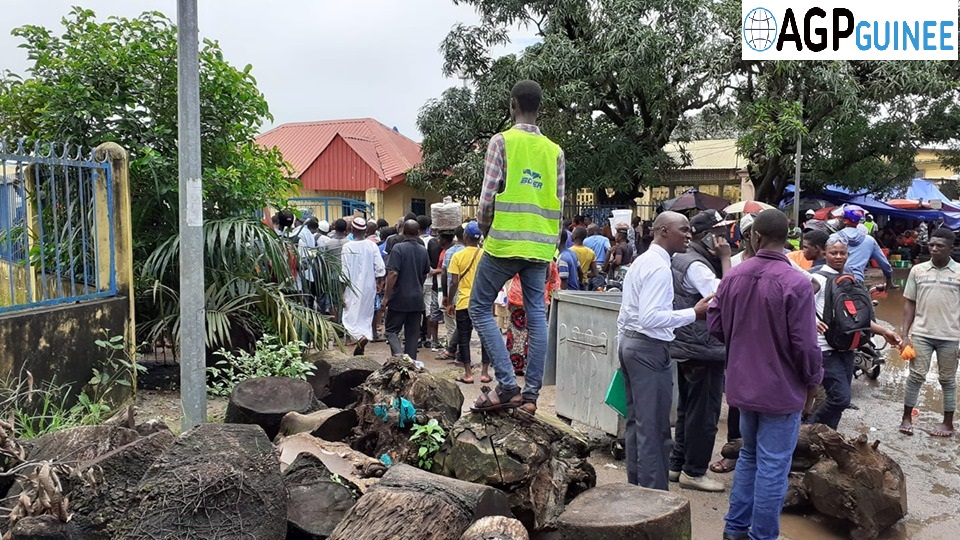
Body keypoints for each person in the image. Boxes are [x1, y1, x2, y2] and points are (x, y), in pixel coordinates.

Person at [707, 209, 823, 540]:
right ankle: (763, 536)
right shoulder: (798, 283)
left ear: (755, 237)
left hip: (743, 386)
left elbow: (715, 324)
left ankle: (735, 529)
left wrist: (743, 338)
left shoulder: (732, 277)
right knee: (773, 467)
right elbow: (806, 345)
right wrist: (812, 383)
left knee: (749, 457)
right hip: (781, 390)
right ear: (788, 238)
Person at [468, 79, 565, 415]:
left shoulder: (502, 142)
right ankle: (532, 395)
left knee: (479, 306)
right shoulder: (555, 151)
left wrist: (485, 230)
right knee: (538, 315)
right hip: (540, 246)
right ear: (540, 108)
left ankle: (508, 385)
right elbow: (560, 203)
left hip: (504, 241)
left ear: (512, 105)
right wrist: (550, 242)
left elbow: (487, 197)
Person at [617, 211, 714, 490]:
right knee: (655, 429)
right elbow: (650, 318)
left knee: (638, 423)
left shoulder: (643, 261)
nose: (689, 235)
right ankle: (654, 495)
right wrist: (693, 314)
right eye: (683, 230)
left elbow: (627, 313)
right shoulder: (658, 268)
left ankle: (637, 487)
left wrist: (624, 346)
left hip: (632, 344)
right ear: (662, 231)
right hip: (648, 348)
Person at [668, 210, 733, 493]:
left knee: (689, 409)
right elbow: (728, 297)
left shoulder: (684, 258)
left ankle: (676, 464)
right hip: (703, 347)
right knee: (704, 414)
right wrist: (726, 258)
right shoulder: (697, 265)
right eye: (721, 230)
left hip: (688, 344)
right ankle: (693, 472)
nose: (727, 235)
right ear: (707, 234)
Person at [807, 234, 900, 429]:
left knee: (838, 400)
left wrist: (884, 331)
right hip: (824, 348)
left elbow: (858, 318)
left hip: (848, 347)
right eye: (834, 253)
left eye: (843, 253)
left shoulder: (850, 279)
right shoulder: (816, 279)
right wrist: (812, 320)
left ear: (848, 254)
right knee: (841, 398)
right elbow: (797, 305)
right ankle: (809, 428)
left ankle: (828, 438)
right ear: (825, 253)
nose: (839, 256)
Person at [898, 227, 960, 437]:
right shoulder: (918, 271)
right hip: (922, 334)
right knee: (915, 377)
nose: (933, 248)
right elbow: (910, 304)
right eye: (931, 245)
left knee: (948, 380)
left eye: (939, 246)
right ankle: (906, 418)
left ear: (950, 248)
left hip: (950, 337)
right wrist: (905, 334)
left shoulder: (959, 272)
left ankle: (948, 424)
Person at [446, 221, 491, 384]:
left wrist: (450, 302)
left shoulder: (458, 256)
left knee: (464, 338)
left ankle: (468, 374)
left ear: (465, 237)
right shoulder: (486, 255)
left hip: (464, 302)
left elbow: (454, 282)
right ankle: (485, 373)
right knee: (485, 337)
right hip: (483, 302)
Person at [383, 220, 430, 360]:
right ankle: (410, 366)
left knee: (391, 331)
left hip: (399, 297)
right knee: (412, 335)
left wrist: (386, 296)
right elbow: (424, 273)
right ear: (417, 233)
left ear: (403, 231)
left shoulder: (398, 248)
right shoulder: (423, 250)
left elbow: (393, 273)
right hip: (417, 299)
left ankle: (400, 360)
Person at [505, 255, 560, 375]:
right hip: (538, 299)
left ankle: (516, 365)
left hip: (517, 297)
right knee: (536, 332)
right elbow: (554, 283)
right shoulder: (549, 261)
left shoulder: (520, 257)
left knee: (517, 332)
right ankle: (534, 367)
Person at [340, 218, 386, 355]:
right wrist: (380, 283)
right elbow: (380, 268)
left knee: (350, 315)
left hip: (351, 287)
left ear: (352, 230)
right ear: (365, 230)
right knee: (366, 315)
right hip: (368, 287)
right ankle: (364, 336)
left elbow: (344, 272)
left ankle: (359, 337)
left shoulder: (347, 247)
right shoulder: (371, 246)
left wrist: (342, 291)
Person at [836, 205, 894, 288]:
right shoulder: (869, 240)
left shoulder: (833, 238)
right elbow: (884, 264)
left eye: (841, 218)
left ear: (845, 220)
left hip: (836, 281)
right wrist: (889, 279)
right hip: (857, 281)